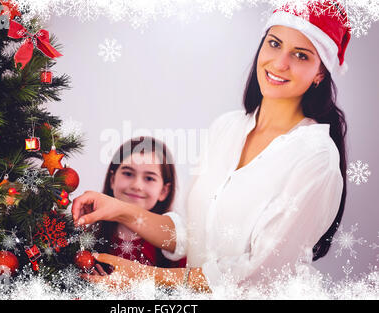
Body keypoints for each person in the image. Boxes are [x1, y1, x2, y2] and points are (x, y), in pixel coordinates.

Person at [72, 1, 350, 292]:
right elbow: (190, 236)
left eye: (301, 55)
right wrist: (119, 210)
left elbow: (259, 275)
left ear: (320, 72)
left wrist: (146, 276)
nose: (280, 63)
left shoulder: (315, 157)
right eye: (274, 43)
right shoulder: (226, 128)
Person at [91, 136, 186, 276]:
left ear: (164, 191)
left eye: (149, 178)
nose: (137, 186)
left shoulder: (174, 246)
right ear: (112, 180)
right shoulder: (88, 238)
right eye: (128, 174)